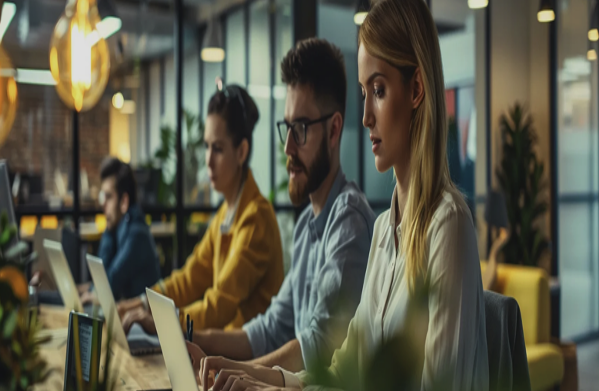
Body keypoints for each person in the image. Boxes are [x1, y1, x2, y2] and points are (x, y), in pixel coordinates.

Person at [193, 0, 489, 390]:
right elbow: (341, 371)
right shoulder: (385, 229)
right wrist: (255, 379)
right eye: (365, 93)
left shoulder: (447, 223)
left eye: (379, 90)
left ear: (416, 88)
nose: (365, 117)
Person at [185, 38, 376, 374]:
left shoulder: (349, 221)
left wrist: (239, 372)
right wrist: (193, 338)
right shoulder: (306, 228)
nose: (287, 146)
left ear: (333, 130)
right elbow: (271, 328)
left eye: (300, 128)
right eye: (287, 127)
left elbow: (319, 347)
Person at [118, 85, 285, 335]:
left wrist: (162, 322)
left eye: (217, 149)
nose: (208, 160)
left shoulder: (255, 218)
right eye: (206, 146)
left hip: (249, 365)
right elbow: (190, 278)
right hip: (222, 354)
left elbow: (219, 306)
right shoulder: (225, 214)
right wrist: (142, 303)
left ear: (242, 152)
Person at [93, 157, 161, 300]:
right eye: (102, 197)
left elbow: (107, 285)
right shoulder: (121, 230)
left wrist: (108, 230)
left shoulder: (136, 235)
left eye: (109, 197)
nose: (103, 205)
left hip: (143, 321)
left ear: (124, 202)